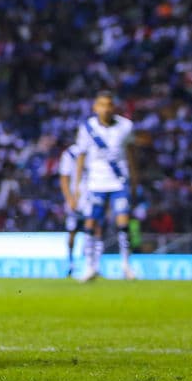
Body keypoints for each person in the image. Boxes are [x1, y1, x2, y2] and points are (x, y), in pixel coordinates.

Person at [73, 91, 137, 281]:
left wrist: (135, 179)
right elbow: (81, 157)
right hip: (96, 182)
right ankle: (91, 266)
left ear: (114, 107)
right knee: (91, 223)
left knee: (123, 223)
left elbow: (131, 154)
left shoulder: (126, 126)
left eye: (109, 104)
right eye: (102, 104)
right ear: (95, 107)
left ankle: (126, 265)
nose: (106, 108)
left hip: (120, 181)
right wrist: (77, 186)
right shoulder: (87, 128)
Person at [58, 143, 90, 278]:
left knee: (93, 230)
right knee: (72, 232)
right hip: (76, 198)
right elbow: (64, 178)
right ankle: (71, 263)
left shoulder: (93, 150)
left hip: (92, 196)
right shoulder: (70, 154)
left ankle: (91, 265)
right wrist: (69, 198)